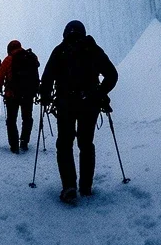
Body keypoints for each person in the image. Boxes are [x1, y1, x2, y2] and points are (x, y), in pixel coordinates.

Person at [39, 20, 118, 204]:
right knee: (86, 143)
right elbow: (112, 75)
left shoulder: (59, 50)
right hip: (89, 104)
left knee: (65, 144)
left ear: (65, 32)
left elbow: (47, 78)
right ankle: (86, 187)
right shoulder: (92, 49)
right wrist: (99, 93)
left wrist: (45, 98)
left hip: (65, 104)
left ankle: (69, 186)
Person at [0, 40, 39, 154]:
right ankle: (24, 141)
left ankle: (14, 145)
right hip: (28, 94)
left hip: (12, 94)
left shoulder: (9, 59)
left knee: (11, 120)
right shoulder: (31, 57)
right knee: (27, 118)